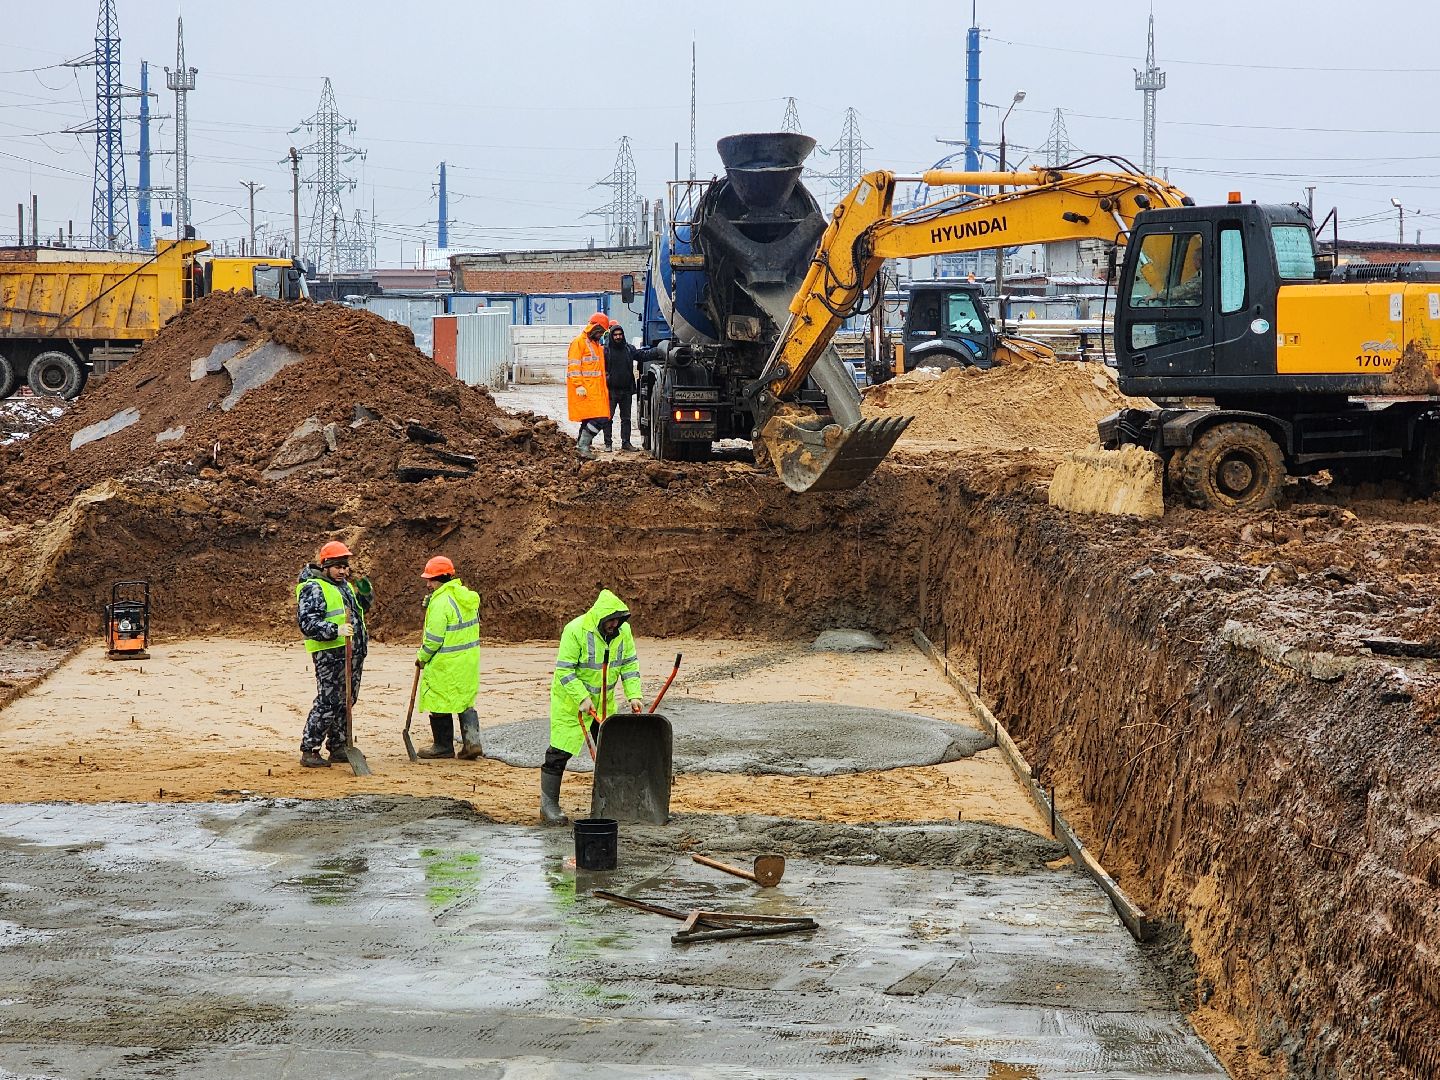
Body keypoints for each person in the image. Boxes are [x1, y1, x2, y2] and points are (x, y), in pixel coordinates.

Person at [540, 589, 644, 826]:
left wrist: (634, 695)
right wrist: (582, 697)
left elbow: (629, 664)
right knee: (559, 753)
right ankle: (548, 807)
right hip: (571, 705)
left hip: (604, 706)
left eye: (618, 620)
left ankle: (613, 803)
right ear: (600, 618)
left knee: (612, 753)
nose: (615, 624)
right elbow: (564, 670)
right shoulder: (575, 631)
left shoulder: (623, 632)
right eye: (611, 620)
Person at [296, 540, 374, 768]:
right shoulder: (313, 588)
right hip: (330, 654)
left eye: (345, 566)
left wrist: (365, 589)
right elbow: (307, 623)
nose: (343, 571)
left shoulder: (345, 586)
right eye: (338, 566)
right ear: (325, 566)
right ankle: (309, 749)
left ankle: (338, 746)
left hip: (352, 653)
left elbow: (362, 608)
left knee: (346, 701)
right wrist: (334, 630)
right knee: (328, 702)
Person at [414, 555, 483, 760]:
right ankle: (472, 743)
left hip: (445, 662)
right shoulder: (466, 596)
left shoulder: (441, 602)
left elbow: (434, 639)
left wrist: (422, 657)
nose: (428, 583)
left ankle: (442, 746)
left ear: (441, 578)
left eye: (431, 580)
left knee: (438, 700)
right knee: (464, 701)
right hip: (468, 661)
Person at [567, 312, 612, 460]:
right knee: (600, 419)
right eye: (600, 332)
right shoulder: (579, 342)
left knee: (590, 419)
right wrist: (578, 385)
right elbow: (574, 366)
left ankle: (581, 447)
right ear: (595, 327)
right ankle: (583, 446)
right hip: (585, 390)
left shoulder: (596, 345)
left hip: (596, 390)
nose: (601, 335)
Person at [600, 323, 646, 452]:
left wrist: (659, 351)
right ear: (611, 336)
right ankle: (608, 444)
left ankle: (626, 443)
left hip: (626, 391)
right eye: (615, 335)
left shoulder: (629, 349)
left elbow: (643, 355)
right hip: (611, 391)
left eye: (620, 334)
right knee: (608, 418)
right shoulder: (605, 351)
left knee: (626, 419)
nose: (618, 337)